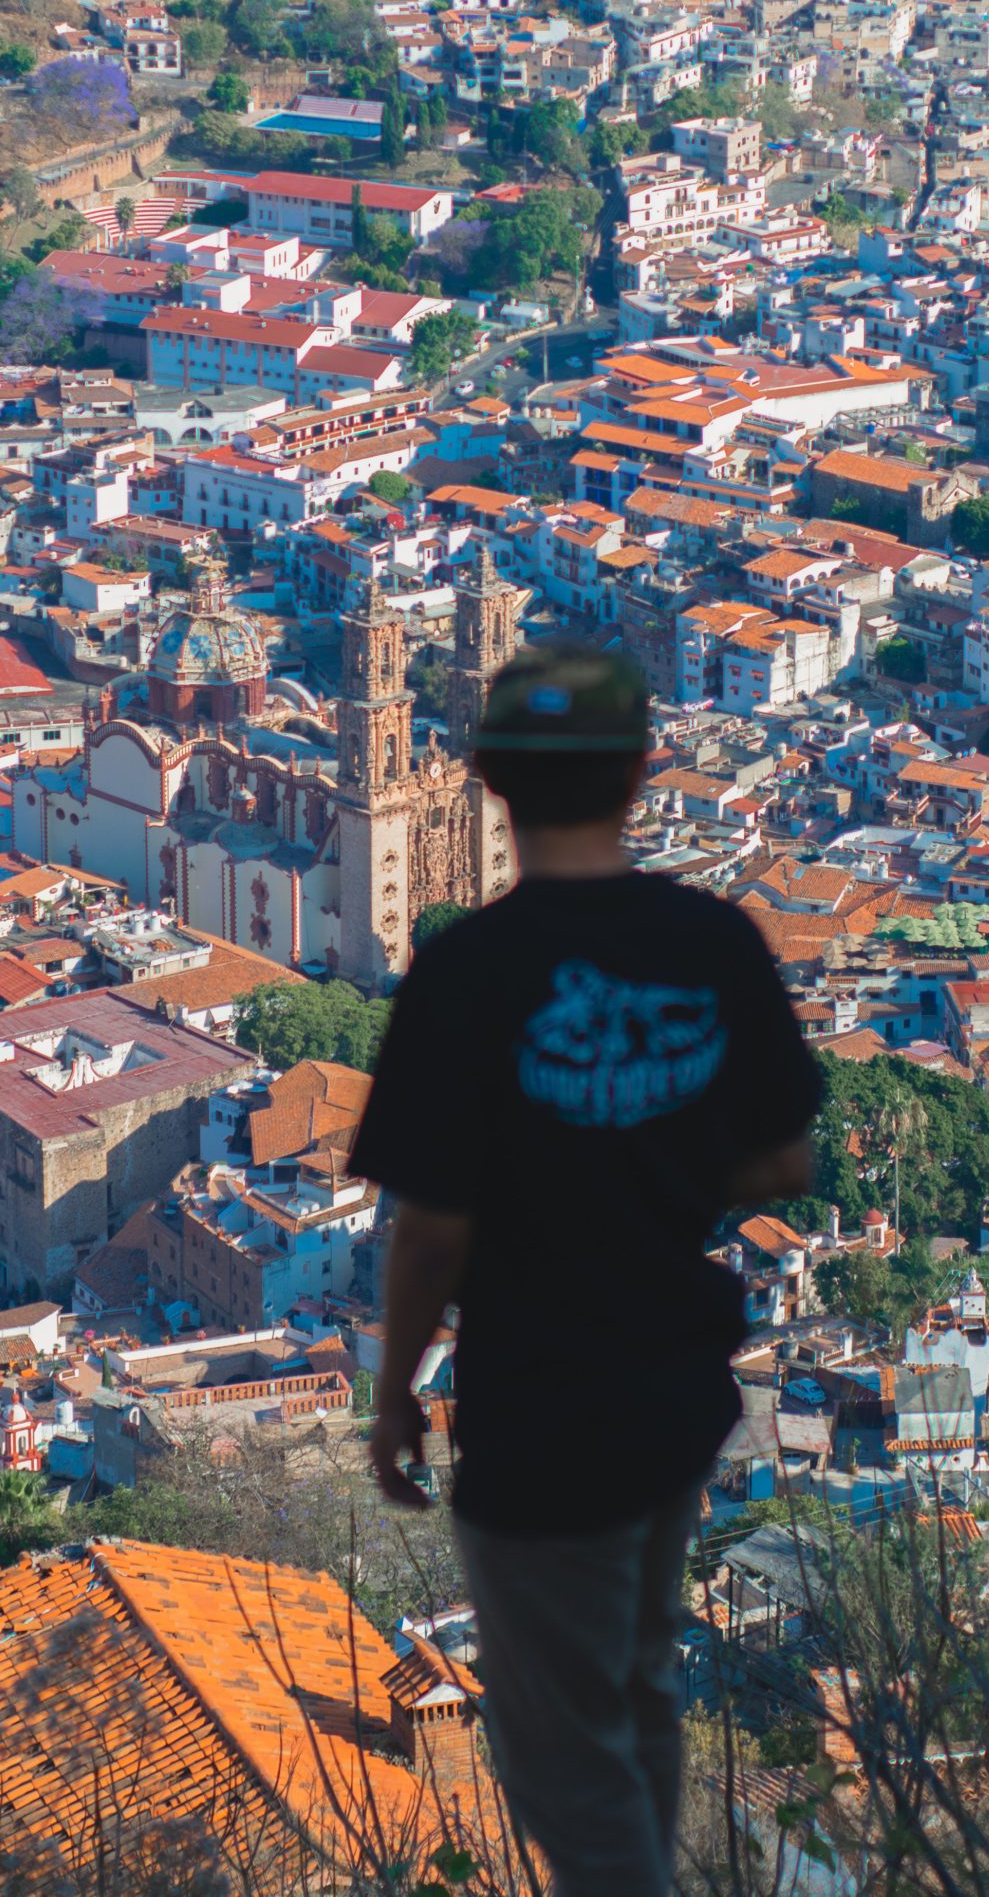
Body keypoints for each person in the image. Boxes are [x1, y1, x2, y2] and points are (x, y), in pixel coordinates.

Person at [352, 645, 822, 1897]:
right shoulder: (708, 940)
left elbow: (431, 1226)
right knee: (635, 1681)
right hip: (676, 1397)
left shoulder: (463, 973)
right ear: (640, 772)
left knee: (557, 1753)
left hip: (532, 1408)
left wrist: (395, 1390)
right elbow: (783, 1158)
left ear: (489, 780)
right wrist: (650, 1163)